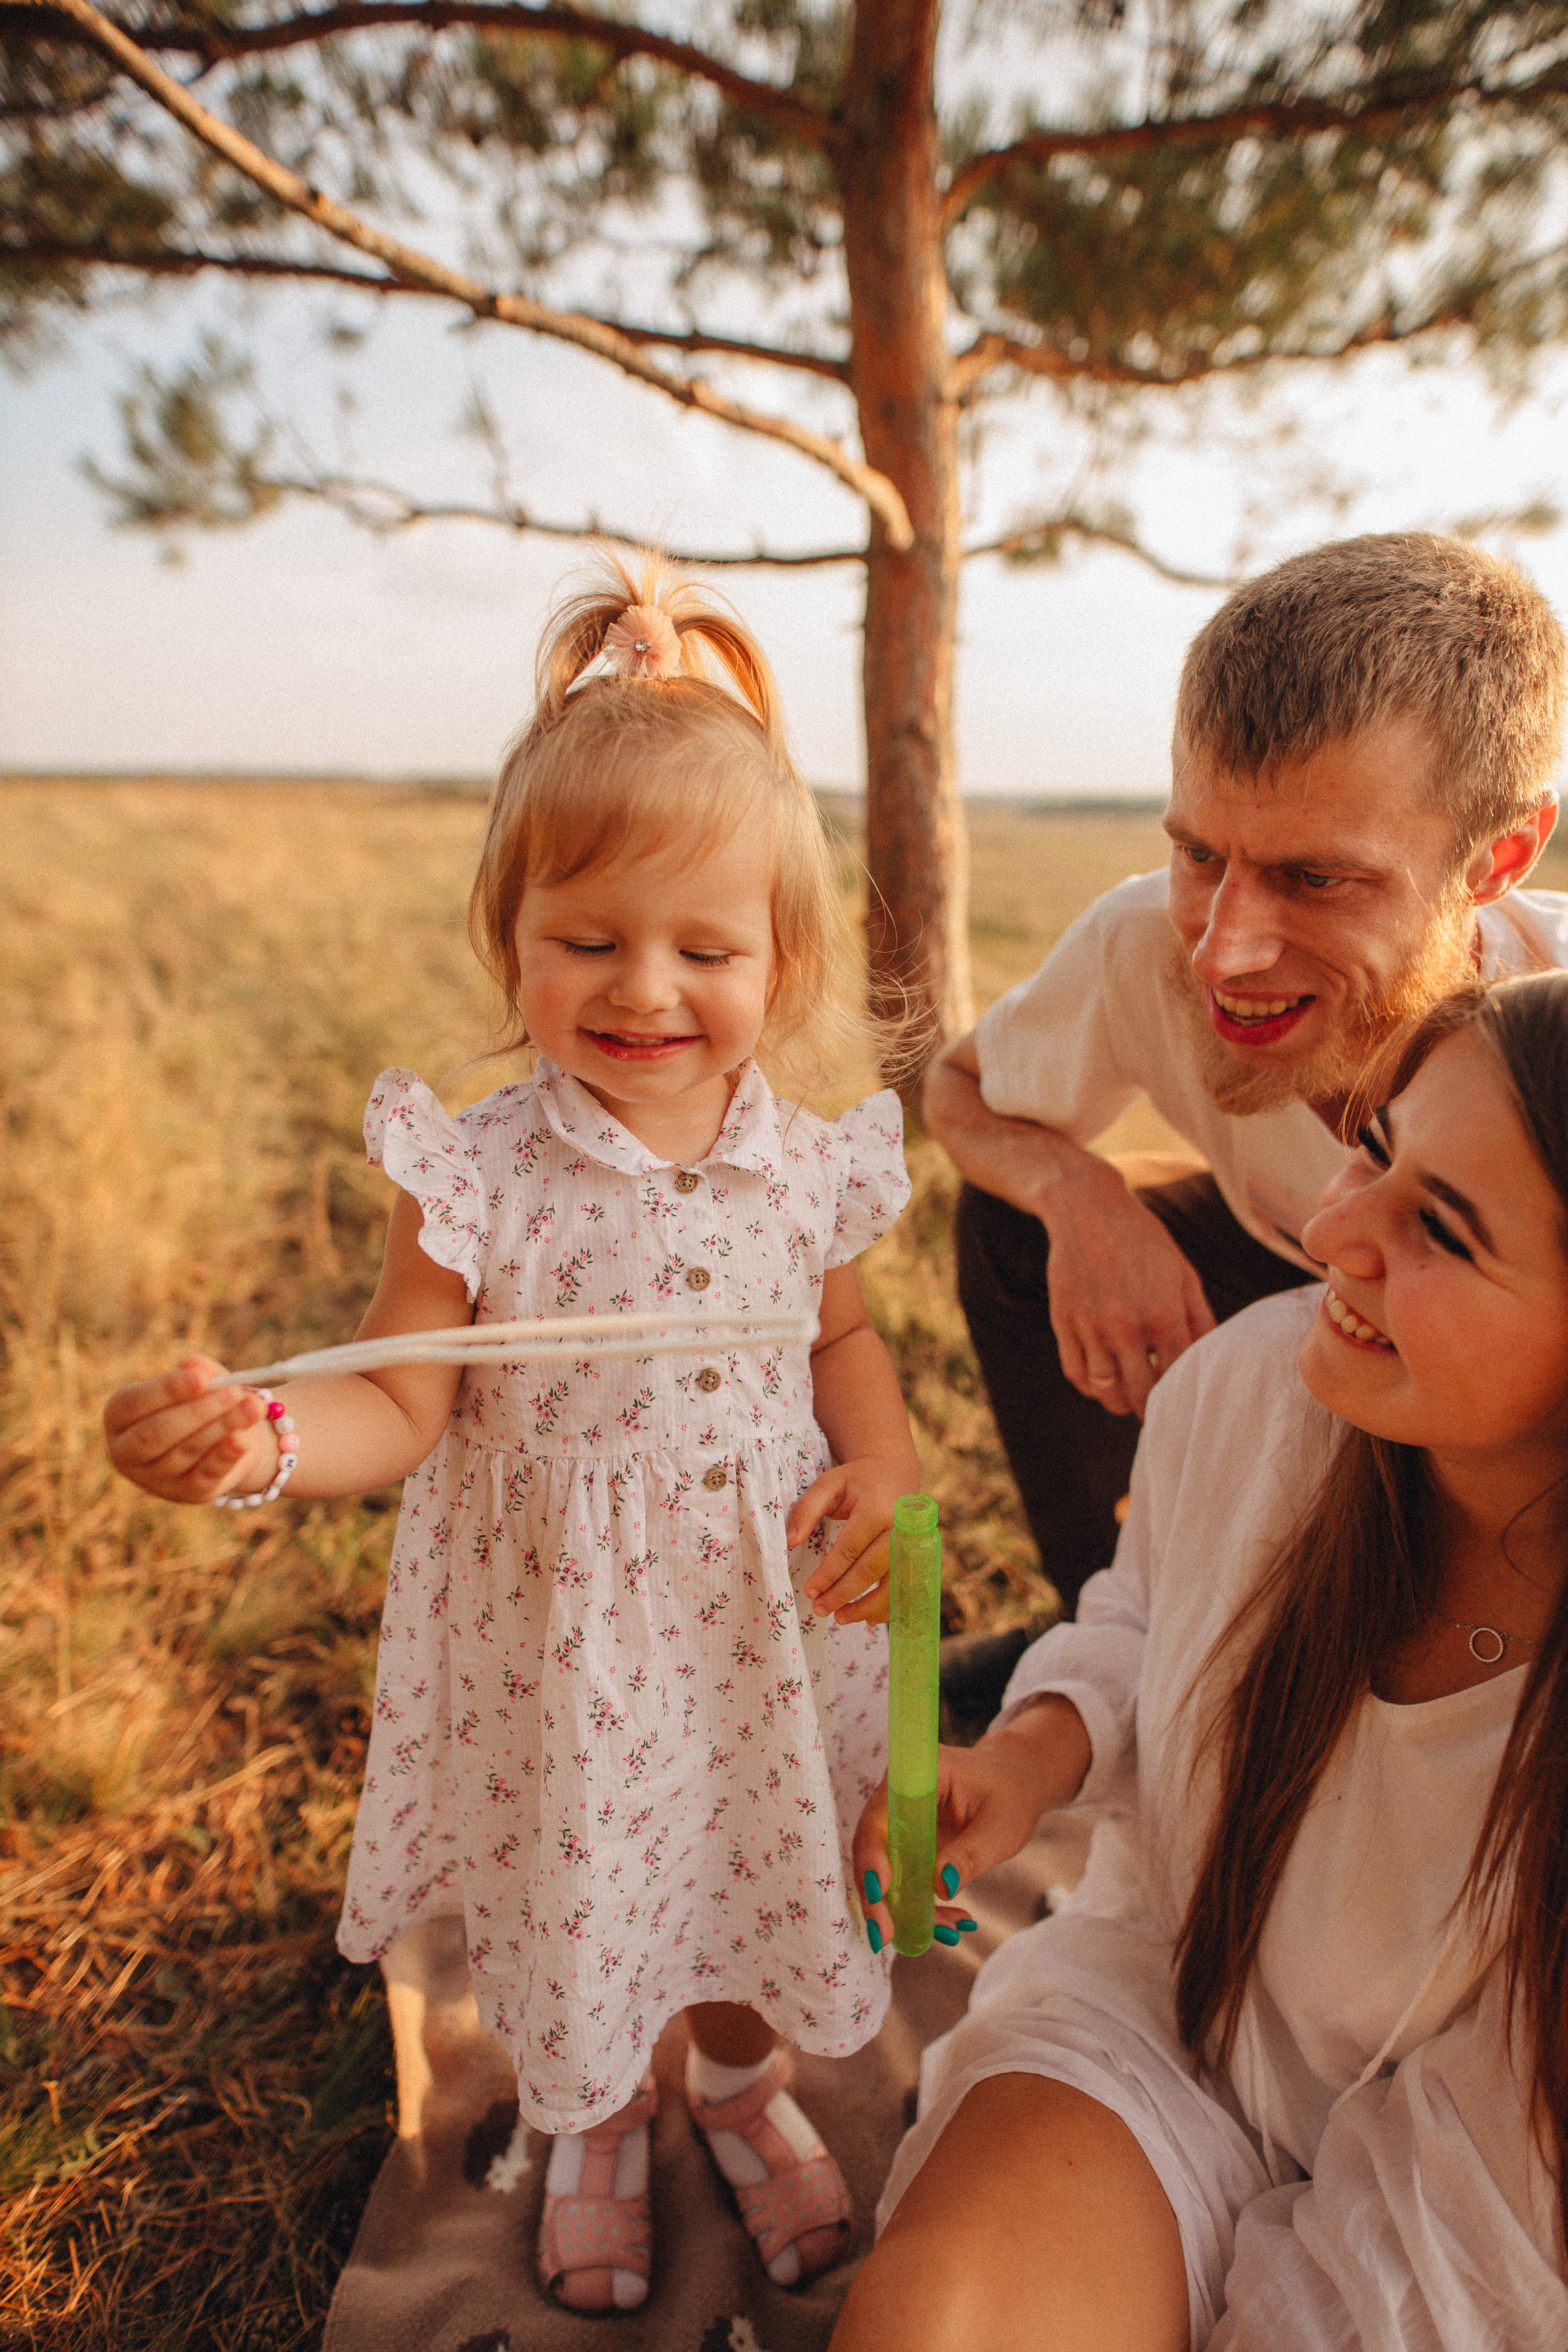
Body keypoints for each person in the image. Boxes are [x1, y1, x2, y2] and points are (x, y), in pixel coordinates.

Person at [102, 552, 922, 2316]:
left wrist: (899, 1476)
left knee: (750, 1874)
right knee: (594, 1894)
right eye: (588, 940)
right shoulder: (477, 1174)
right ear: (512, 939)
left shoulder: (812, 1163)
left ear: (778, 967)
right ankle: (598, 2114)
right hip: (568, 1643)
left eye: (704, 947)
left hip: (758, 1621)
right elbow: (401, 1400)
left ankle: (733, 2081)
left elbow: (840, 1342)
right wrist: (254, 1438)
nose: (645, 988)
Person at [842, 971, 1568, 2351]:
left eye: (1443, 1231)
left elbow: (1482, 2223)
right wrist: (1026, 1752)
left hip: (1488, 2192)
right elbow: (1138, 1614)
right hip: (1169, 1999)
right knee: (933, 2327)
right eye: (1374, 1150)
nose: (1334, 1229)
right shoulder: (1253, 1387)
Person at [927, 534, 1568, 1619]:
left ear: (1498, 860)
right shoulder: (1144, 947)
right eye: (1200, 855)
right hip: (1290, 1281)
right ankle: (1112, 1631)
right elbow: (961, 1090)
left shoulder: (1553, 1030)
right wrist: (1078, 1197)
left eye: (1315, 878)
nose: (1223, 952)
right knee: (1010, 1230)